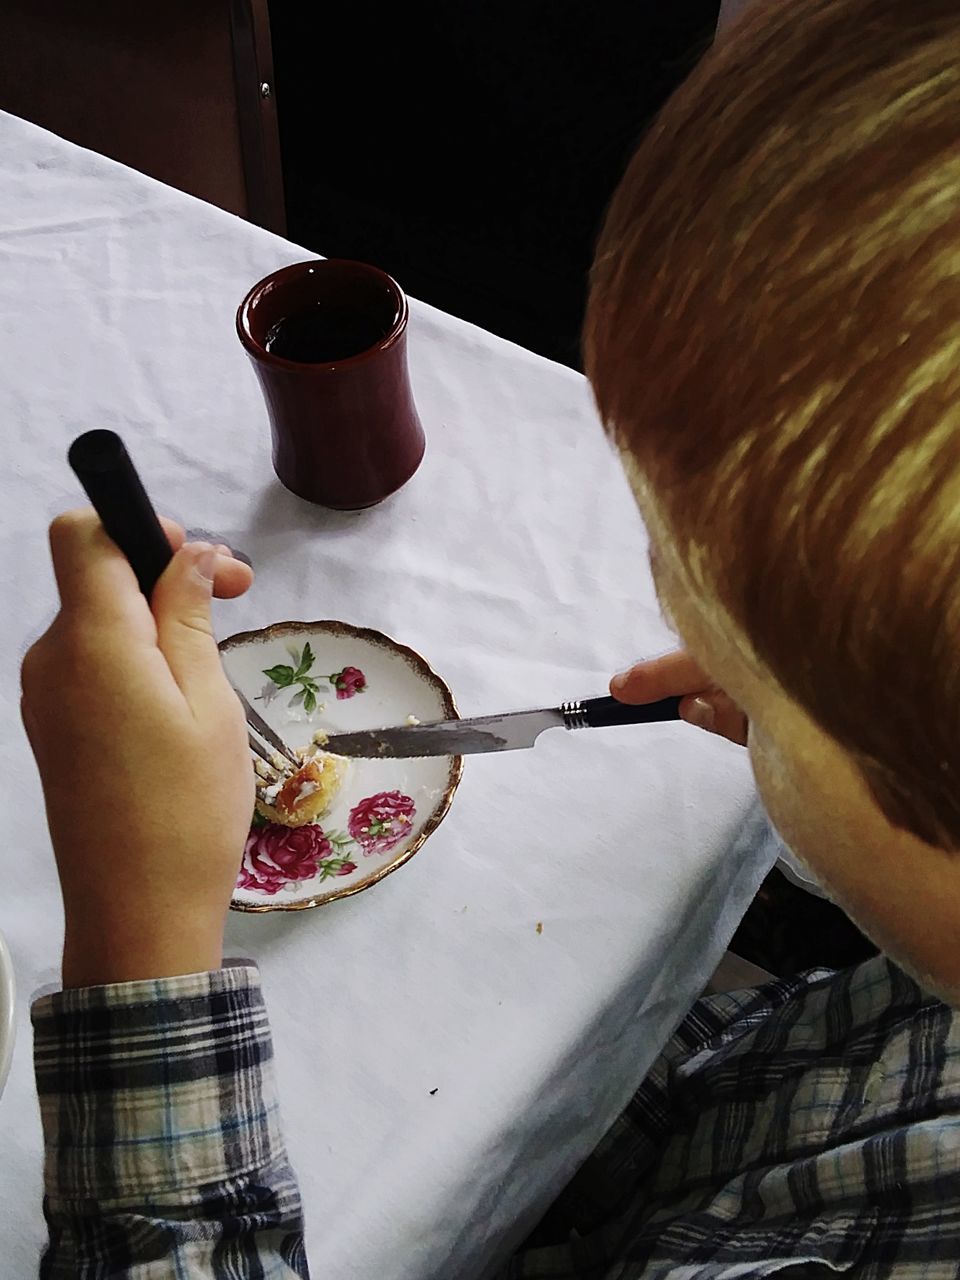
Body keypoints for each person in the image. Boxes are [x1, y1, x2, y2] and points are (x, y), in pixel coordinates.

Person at [20, 0, 960, 1275]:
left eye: (764, 674)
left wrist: (138, 968)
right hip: (670, 1116)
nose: (715, 668)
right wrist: (833, 740)